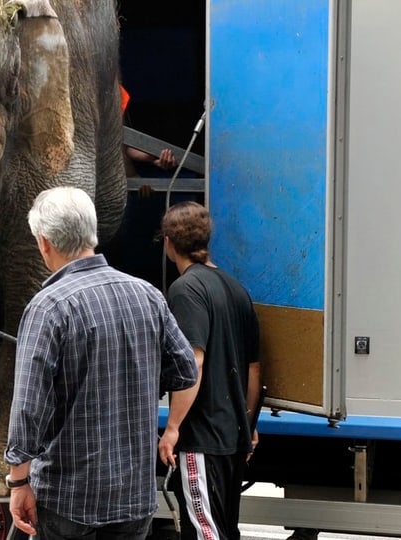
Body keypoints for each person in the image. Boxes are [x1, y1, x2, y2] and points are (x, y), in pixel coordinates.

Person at [5, 186, 198, 539]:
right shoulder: (147, 295)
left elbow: (28, 409)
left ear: (44, 242)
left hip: (68, 500)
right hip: (133, 499)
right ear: (91, 232)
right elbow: (186, 370)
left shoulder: (48, 306)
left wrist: (18, 481)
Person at [157, 201, 262, 540]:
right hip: (233, 438)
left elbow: (194, 361)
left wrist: (172, 427)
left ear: (170, 243)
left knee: (206, 532)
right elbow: (254, 368)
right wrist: (248, 423)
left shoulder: (185, 290)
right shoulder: (236, 289)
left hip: (202, 438)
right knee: (225, 530)